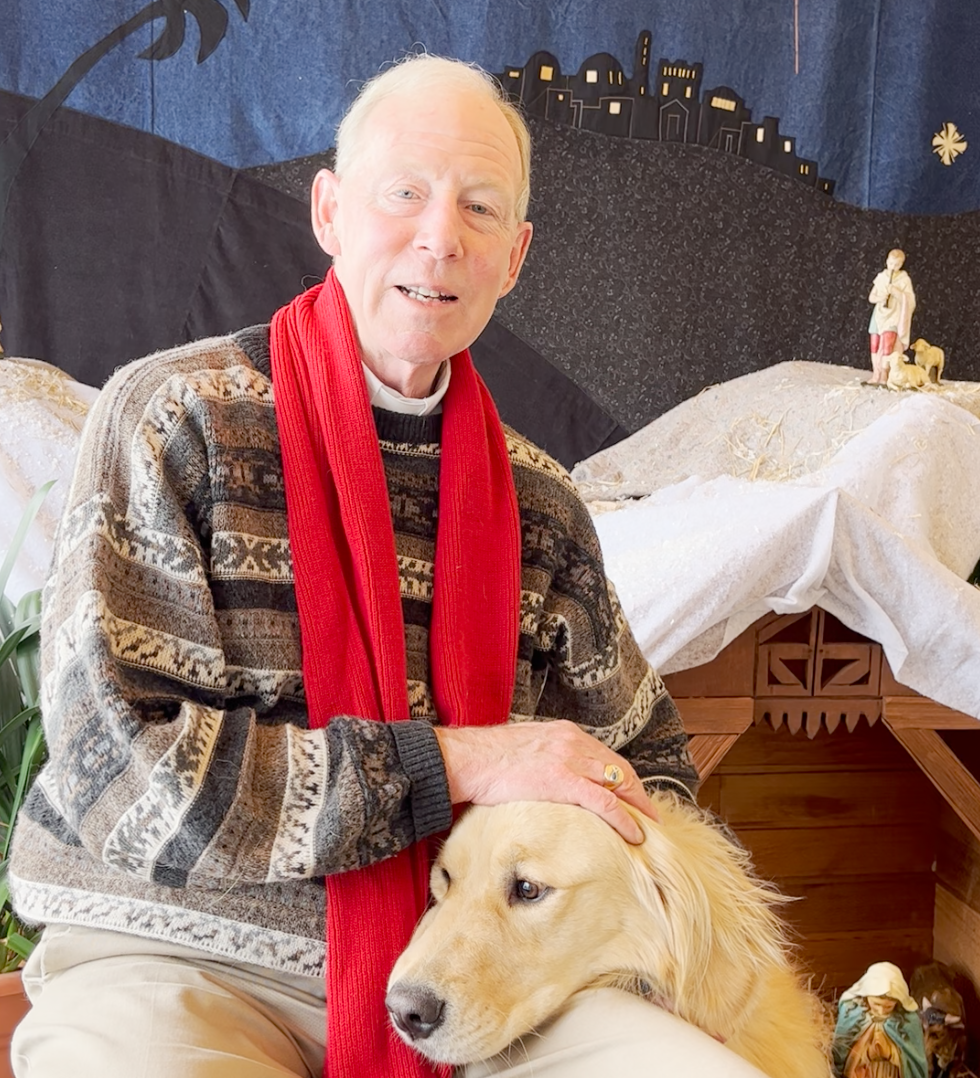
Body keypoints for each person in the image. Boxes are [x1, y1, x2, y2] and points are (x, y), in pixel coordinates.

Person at [6, 55, 742, 1078]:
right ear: (328, 210)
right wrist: (459, 764)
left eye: (479, 208)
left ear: (515, 255)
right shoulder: (174, 421)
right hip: (176, 960)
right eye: (404, 193)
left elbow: (648, 777)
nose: (439, 236)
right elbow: (122, 778)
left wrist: (578, 911)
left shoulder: (541, 510)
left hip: (487, 982)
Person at [832, 962, 927, 1078]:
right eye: (876, 1004)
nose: (881, 1011)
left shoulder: (908, 1021)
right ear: (866, 996)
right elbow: (841, 1055)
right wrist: (868, 1053)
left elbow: (915, 1062)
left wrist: (891, 1053)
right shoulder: (852, 1014)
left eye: (888, 1007)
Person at [867, 249, 916, 385]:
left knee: (887, 345)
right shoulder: (881, 277)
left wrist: (897, 292)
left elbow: (910, 301)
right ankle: (876, 373)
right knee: (875, 344)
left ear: (901, 265)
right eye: (890, 263)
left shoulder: (904, 280)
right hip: (878, 315)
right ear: (887, 261)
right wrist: (880, 297)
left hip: (893, 316)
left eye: (896, 264)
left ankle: (884, 374)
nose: (893, 267)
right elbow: (871, 297)